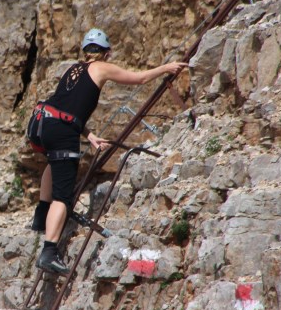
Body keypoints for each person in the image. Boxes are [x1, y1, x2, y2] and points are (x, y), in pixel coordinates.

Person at [26, 28, 189, 274]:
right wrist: (165, 69)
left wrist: (89, 135)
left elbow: (66, 106)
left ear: (85, 50)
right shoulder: (101, 67)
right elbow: (140, 78)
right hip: (62, 131)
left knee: (53, 161)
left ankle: (41, 216)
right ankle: (49, 251)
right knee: (63, 196)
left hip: (43, 124)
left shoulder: (73, 70)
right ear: (106, 53)